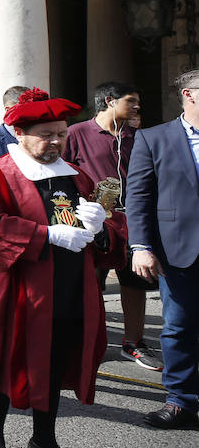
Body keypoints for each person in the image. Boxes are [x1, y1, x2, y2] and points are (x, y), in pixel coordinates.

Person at [0, 88, 117, 448]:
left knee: (56, 361)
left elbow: (104, 226)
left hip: (69, 287)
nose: (56, 141)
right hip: (14, 290)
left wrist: (101, 229)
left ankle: (44, 441)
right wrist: (46, 236)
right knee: (2, 365)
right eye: (46, 134)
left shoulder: (76, 176)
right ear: (20, 133)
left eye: (60, 133)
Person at [63, 81, 160, 371]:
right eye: (131, 101)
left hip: (132, 222)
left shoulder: (138, 137)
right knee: (89, 284)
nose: (137, 107)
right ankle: (86, 343)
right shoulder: (75, 133)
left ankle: (133, 343)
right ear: (109, 101)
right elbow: (63, 177)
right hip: (92, 224)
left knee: (136, 282)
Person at [126, 68, 199, 429]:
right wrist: (141, 246)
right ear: (189, 95)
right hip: (179, 250)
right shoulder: (154, 138)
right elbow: (138, 197)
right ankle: (181, 401)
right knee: (179, 327)